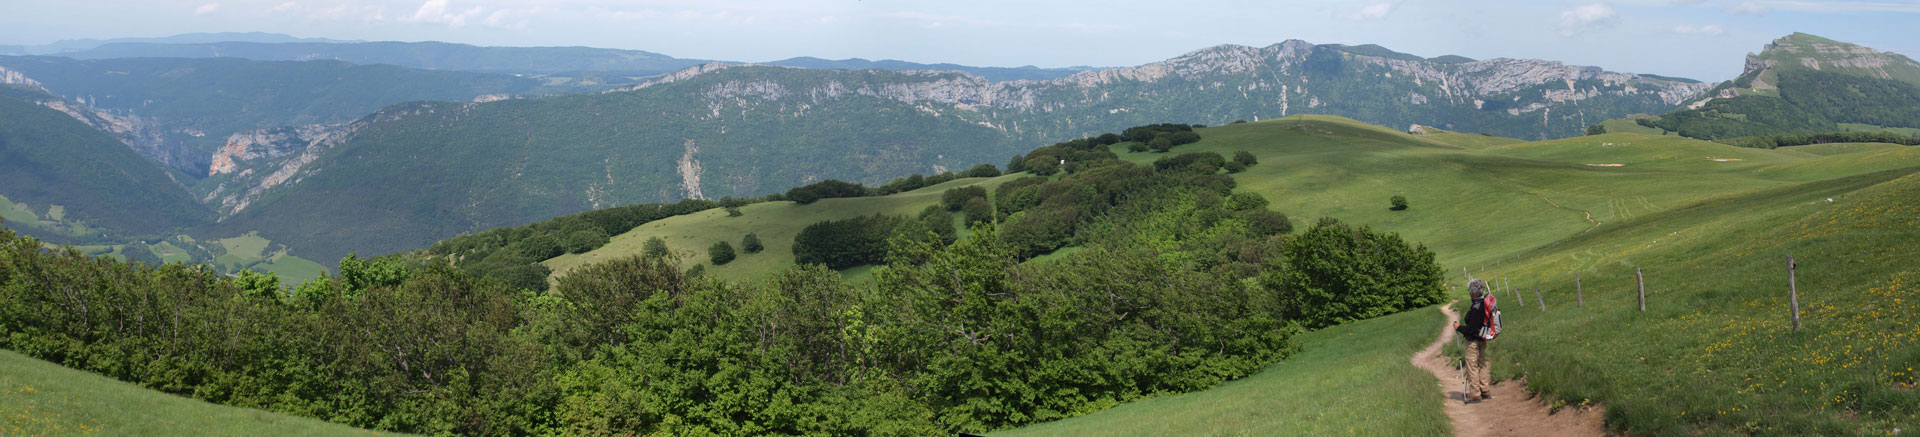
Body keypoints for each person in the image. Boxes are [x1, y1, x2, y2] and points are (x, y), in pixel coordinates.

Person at [1454, 279, 1494, 403]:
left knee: (1472, 366)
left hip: (1473, 341)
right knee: (1482, 363)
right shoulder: (1484, 305)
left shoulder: (1476, 307)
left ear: (1472, 293)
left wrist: (1458, 327)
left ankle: (1475, 394)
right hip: (1483, 339)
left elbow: (1471, 329)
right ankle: (1485, 390)